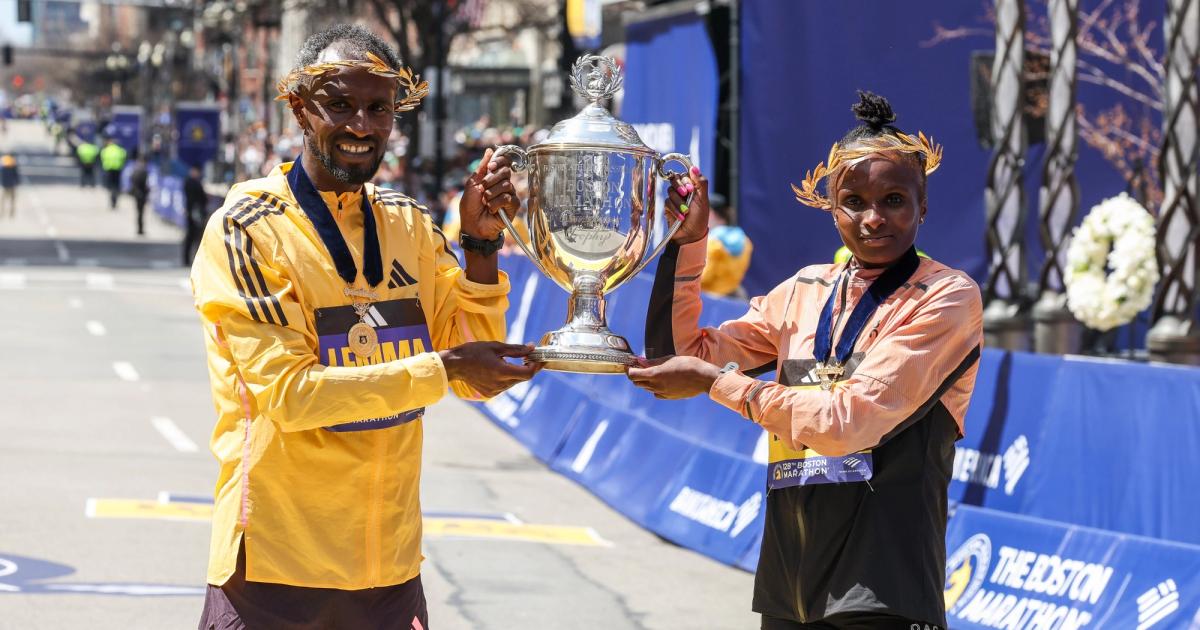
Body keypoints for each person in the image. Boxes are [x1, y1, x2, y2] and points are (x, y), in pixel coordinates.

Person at [190, 24, 538, 629]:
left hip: (388, 571)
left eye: (379, 109)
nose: (360, 126)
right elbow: (291, 397)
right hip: (274, 572)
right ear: (300, 107)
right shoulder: (246, 228)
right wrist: (444, 369)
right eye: (340, 105)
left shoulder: (411, 224)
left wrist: (481, 243)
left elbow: (476, 374)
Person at [627, 92, 983, 629]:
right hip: (788, 583)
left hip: (883, 587)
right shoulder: (803, 290)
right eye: (854, 201)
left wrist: (718, 385)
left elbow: (848, 422)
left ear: (923, 206)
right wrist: (689, 241)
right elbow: (682, 356)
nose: (872, 218)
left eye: (893, 199)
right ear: (830, 206)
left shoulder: (947, 296)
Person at [699, 192, 753, 299]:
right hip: (731, 296)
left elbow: (705, 276)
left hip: (709, 299)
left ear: (712, 214)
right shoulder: (745, 241)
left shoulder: (712, 242)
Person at [182, 165, 208, 266]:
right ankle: (190, 258)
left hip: (192, 212)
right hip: (195, 213)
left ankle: (188, 258)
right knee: (194, 237)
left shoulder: (189, 182)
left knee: (192, 237)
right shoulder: (193, 183)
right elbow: (202, 198)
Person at [99, 137, 127, 209]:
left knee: (110, 187)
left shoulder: (105, 150)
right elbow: (124, 158)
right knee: (116, 186)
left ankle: (112, 200)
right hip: (118, 170)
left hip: (109, 170)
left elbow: (102, 159)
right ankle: (115, 200)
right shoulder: (120, 150)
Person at [128, 157, 150, 236]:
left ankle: (140, 228)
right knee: (141, 213)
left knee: (140, 213)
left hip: (138, 195)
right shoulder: (143, 172)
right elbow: (145, 185)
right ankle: (140, 229)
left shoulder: (135, 171)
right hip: (141, 195)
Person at [0, 152, 17, 219]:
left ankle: (2, 212)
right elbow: (16, 175)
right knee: (12, 199)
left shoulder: (2, 163)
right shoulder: (13, 163)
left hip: (3, 185)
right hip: (11, 185)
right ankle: (11, 212)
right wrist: (17, 182)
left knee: (2, 200)